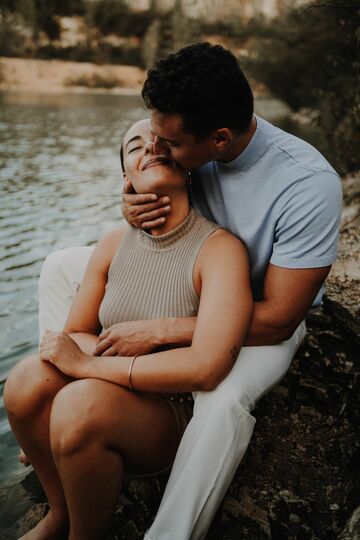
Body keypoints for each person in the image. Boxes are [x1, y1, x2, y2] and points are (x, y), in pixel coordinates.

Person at [13, 42, 342, 540]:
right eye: (152, 138)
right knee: (61, 265)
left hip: (261, 311)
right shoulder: (184, 141)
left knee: (224, 396)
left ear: (219, 139)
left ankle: (170, 530)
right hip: (183, 275)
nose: (157, 147)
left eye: (168, 143)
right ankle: (55, 411)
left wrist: (162, 330)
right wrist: (132, 203)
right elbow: (153, 180)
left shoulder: (306, 184)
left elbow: (278, 316)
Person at [4, 119, 253, 540]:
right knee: (25, 380)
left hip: (169, 413)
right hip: (109, 387)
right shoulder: (113, 243)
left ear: (185, 159)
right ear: (127, 179)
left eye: (160, 141)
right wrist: (84, 359)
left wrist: (87, 366)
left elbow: (205, 366)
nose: (150, 147)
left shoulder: (220, 250)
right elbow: (77, 331)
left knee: (79, 404)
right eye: (135, 146)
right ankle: (59, 510)